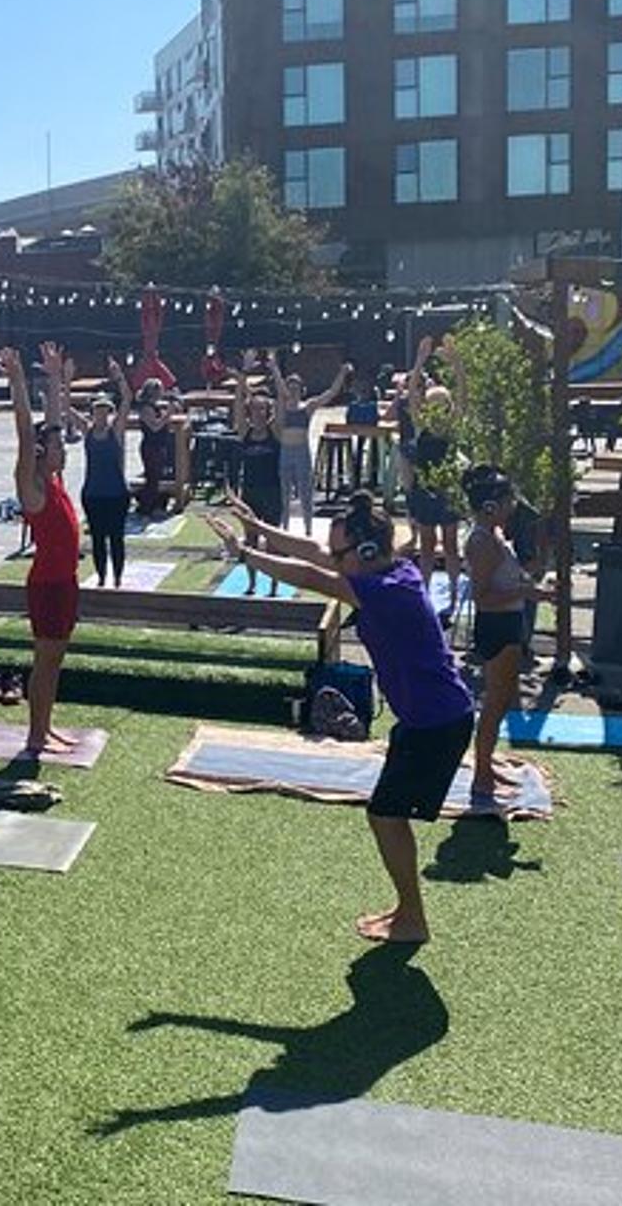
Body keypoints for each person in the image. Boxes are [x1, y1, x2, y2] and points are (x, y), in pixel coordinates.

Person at [211, 491, 476, 944]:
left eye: (343, 553)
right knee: (386, 814)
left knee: (386, 814)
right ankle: (408, 911)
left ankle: (413, 918)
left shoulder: (388, 590)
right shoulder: (389, 570)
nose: (335, 558)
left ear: (368, 550)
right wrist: (260, 528)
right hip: (426, 719)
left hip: (437, 722)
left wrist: (246, 553)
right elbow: (318, 554)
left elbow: (314, 574)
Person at [4, 344, 82, 757]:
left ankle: (46, 727)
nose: (63, 450)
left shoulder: (54, 482)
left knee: (55, 662)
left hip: (66, 582)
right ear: (40, 455)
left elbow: (51, 424)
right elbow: (25, 432)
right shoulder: (32, 487)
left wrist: (54, 379)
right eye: (57, 448)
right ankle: (35, 735)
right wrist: (18, 381)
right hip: (48, 586)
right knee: (44, 661)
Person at [462, 467, 546, 801]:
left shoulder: (494, 535)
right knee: (495, 702)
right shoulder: (483, 542)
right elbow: (482, 597)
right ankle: (482, 773)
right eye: (508, 500)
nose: (513, 506)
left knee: (500, 700)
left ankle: (486, 764)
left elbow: (507, 583)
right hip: (496, 625)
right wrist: (524, 594)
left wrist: (531, 586)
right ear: (490, 506)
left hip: (507, 622)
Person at [399, 337, 462, 622]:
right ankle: (424, 594)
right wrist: (419, 361)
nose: (437, 410)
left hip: (447, 491)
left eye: (442, 405)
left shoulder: (450, 428)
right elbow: (411, 393)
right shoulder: (422, 424)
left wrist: (456, 364)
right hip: (425, 491)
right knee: (426, 545)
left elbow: (464, 397)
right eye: (432, 405)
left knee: (450, 545)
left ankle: (452, 595)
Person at [272, 353, 351, 531]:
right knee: (284, 494)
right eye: (290, 388)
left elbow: (330, 393)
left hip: (301, 451)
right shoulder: (282, 407)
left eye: (296, 388)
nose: (293, 392)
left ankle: (308, 528)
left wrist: (342, 374)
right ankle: (284, 528)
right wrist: (274, 368)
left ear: (301, 390)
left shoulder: (307, 407)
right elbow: (279, 389)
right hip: (286, 450)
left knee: (305, 494)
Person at [80, 358, 134, 588]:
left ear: (110, 412)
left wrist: (119, 376)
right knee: (98, 540)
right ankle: (101, 577)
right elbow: (63, 407)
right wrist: (63, 378)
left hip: (116, 494)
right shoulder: (88, 430)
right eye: (97, 410)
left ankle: (118, 578)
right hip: (93, 494)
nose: (101, 414)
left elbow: (128, 399)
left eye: (105, 410)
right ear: (93, 412)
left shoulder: (116, 431)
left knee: (116, 539)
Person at [230, 383, 284, 597]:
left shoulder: (275, 431)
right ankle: (252, 584)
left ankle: (273, 586)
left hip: (272, 492)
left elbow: (281, 400)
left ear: (268, 412)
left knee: (273, 543)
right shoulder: (246, 431)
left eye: (262, 409)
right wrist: (242, 377)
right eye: (253, 409)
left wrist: (274, 370)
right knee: (250, 542)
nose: (258, 413)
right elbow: (237, 406)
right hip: (250, 494)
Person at [136, 378, 180, 518]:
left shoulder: (155, 405)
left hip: (159, 446)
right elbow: (154, 427)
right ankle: (146, 507)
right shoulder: (146, 408)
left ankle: (154, 505)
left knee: (157, 476)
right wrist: (168, 414)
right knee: (152, 478)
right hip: (150, 446)